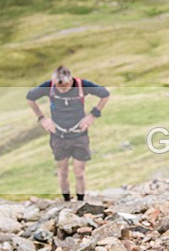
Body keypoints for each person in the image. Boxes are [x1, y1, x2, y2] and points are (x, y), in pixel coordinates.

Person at [26, 66, 110, 201]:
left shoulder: (83, 85)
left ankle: (80, 202)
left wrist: (93, 115)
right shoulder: (49, 86)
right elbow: (30, 98)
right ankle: (66, 201)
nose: (62, 89)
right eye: (59, 87)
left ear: (70, 79)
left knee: (79, 172)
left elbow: (105, 94)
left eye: (65, 86)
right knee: (63, 171)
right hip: (58, 136)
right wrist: (42, 118)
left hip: (79, 135)